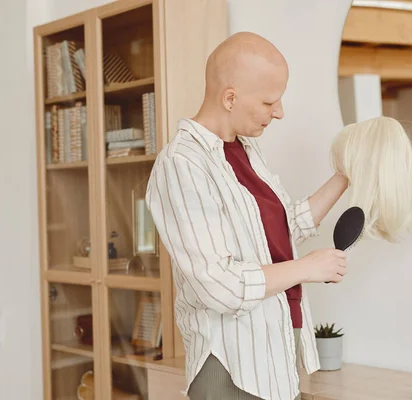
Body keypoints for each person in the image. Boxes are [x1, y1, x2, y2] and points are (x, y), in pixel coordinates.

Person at [145, 31, 349, 400]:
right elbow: (219, 284)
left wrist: (345, 176)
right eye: (270, 101)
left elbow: (285, 228)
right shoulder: (182, 164)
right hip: (231, 367)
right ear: (230, 98)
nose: (280, 112)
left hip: (275, 353)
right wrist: (307, 268)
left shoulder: (247, 151)